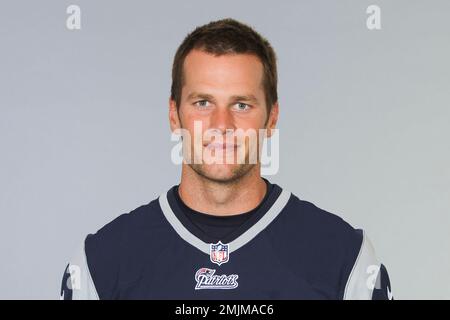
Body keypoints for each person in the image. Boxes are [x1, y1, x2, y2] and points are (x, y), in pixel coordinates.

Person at [60, 18, 393, 300]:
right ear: (174, 115)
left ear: (272, 117)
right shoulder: (102, 263)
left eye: (241, 105)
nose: (222, 125)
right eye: (203, 102)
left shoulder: (344, 258)